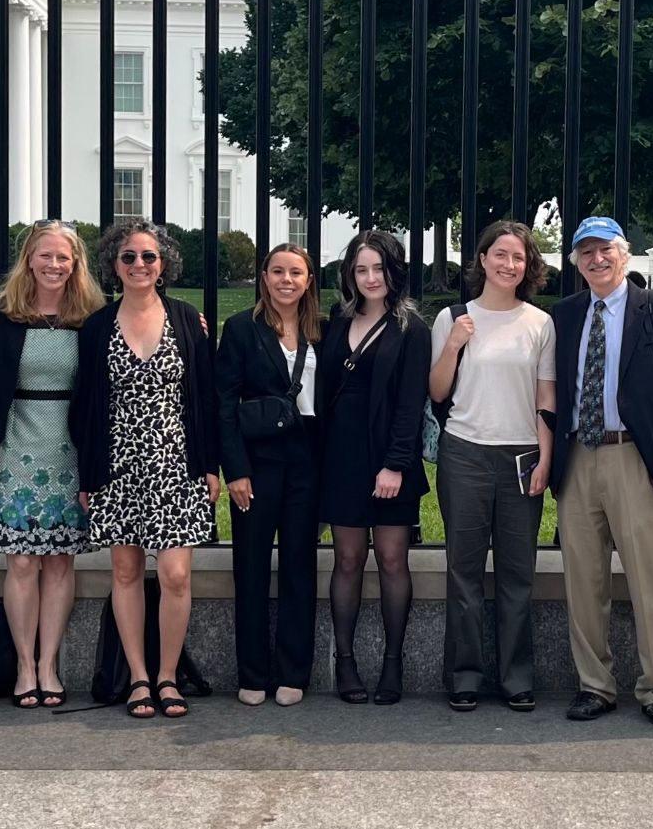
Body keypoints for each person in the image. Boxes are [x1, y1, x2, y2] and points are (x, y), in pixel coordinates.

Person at [549, 216, 653, 727]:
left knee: (650, 578)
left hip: (637, 458)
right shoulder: (565, 314)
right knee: (583, 580)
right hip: (578, 458)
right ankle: (595, 685)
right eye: (586, 252)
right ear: (575, 261)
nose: (597, 259)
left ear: (626, 253)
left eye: (606, 250)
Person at [70, 218, 219, 720]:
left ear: (164, 264)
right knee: (126, 569)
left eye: (148, 256)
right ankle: (137, 676)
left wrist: (209, 464)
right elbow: (85, 407)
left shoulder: (187, 318)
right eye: (129, 256)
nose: (139, 264)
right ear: (114, 265)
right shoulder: (96, 327)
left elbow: (205, 398)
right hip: (117, 465)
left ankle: (168, 676)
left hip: (176, 462)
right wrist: (89, 475)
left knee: (175, 573)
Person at [0, 221, 105, 708]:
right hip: (15, 446)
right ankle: (23, 666)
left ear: (76, 265)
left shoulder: (91, 317)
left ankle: (49, 664)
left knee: (59, 561)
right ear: (29, 259)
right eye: (45, 255)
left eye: (63, 258)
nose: (54, 265)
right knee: (23, 559)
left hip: (69, 448)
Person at [429, 220, 555, 713]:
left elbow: (546, 396)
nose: (508, 264)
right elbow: (437, 391)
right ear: (482, 259)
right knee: (462, 569)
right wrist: (455, 344)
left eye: (518, 257)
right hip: (465, 452)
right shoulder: (453, 317)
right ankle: (463, 675)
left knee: (517, 572)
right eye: (499, 254)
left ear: (528, 266)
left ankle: (516, 676)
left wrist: (545, 457)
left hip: (522, 454)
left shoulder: (539, 323)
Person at [316, 230, 430, 706]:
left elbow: (410, 404)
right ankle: (344, 662)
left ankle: (393, 663)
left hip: (389, 459)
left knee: (390, 560)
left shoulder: (411, 329)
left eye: (378, 269)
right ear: (349, 275)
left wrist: (396, 465)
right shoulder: (333, 324)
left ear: (394, 271)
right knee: (346, 560)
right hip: (341, 457)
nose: (370, 278)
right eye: (360, 270)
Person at [216, 243, 323, 708]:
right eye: (277, 271)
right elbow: (223, 403)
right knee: (252, 568)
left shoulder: (325, 329)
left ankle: (294, 671)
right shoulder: (241, 329)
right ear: (264, 278)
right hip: (256, 464)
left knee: (300, 566)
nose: (286, 280)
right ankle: (253, 672)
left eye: (295, 272)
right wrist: (235, 469)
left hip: (308, 461)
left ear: (308, 280)